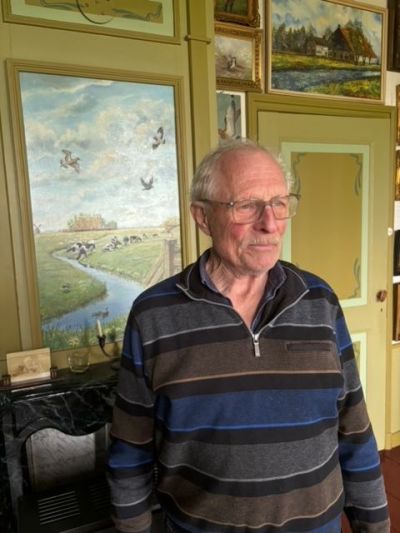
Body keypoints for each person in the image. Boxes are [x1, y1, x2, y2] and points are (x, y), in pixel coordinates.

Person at [107, 139, 390, 532]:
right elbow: (130, 452)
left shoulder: (319, 300)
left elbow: (354, 429)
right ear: (203, 217)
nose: (270, 224)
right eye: (246, 206)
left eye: (279, 203)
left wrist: (374, 525)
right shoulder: (153, 315)